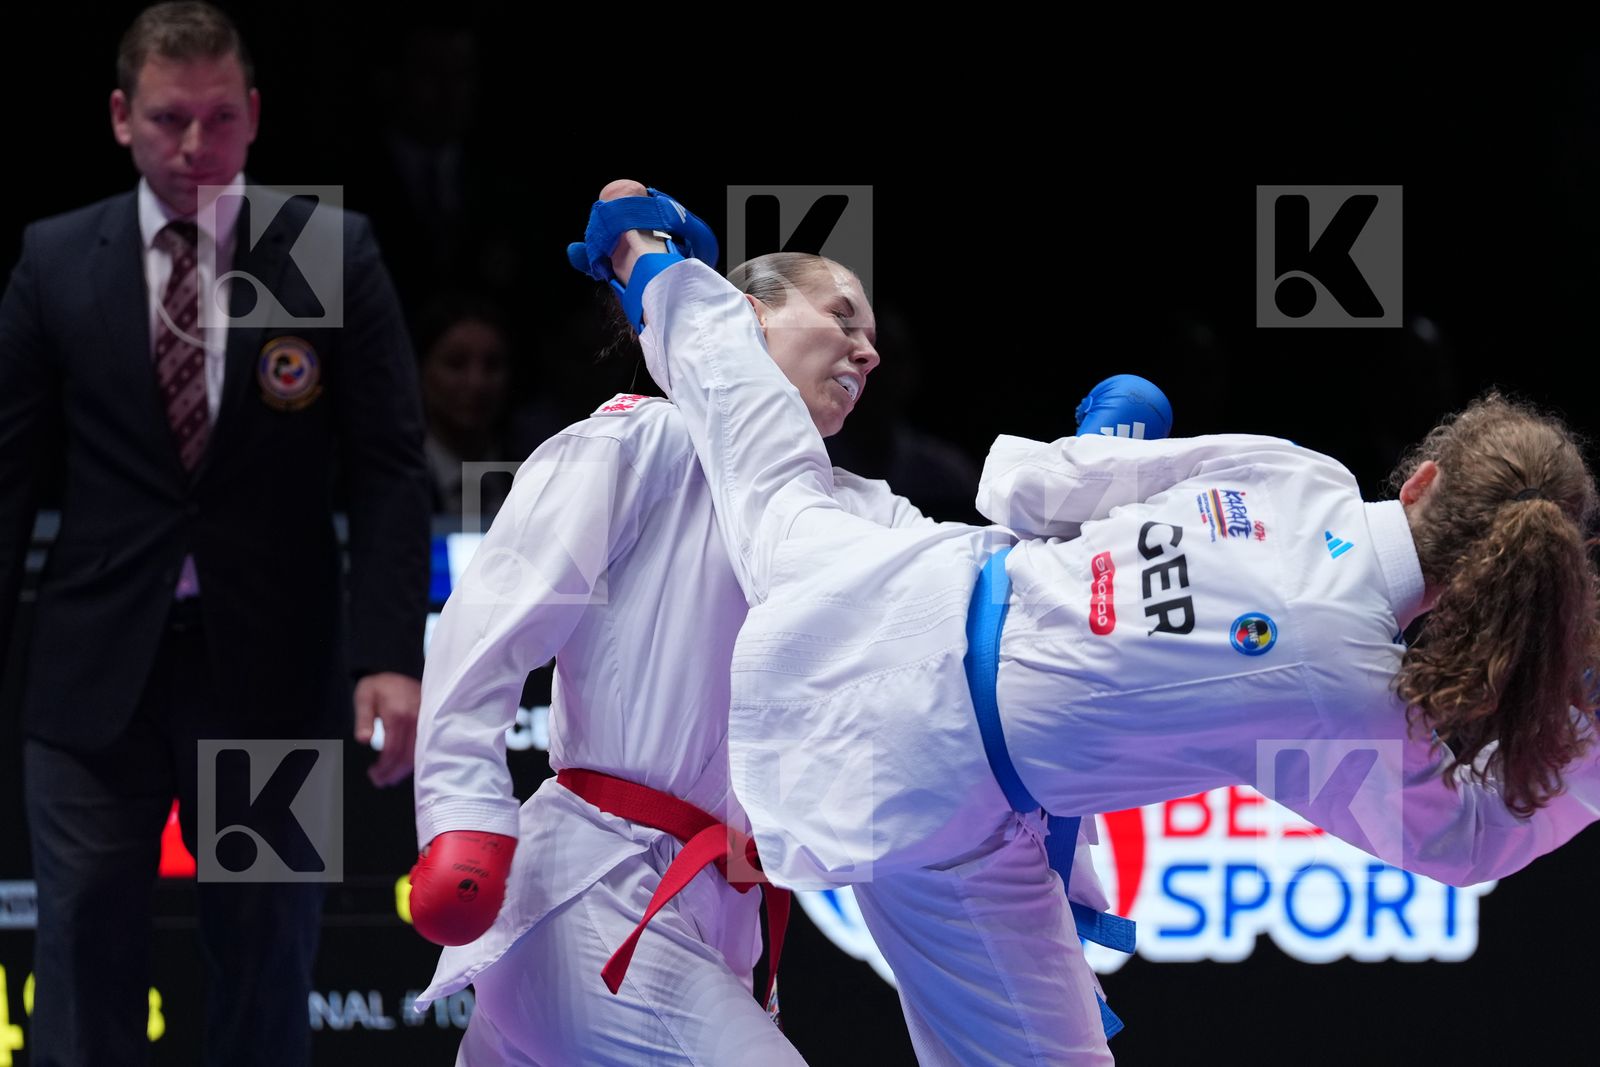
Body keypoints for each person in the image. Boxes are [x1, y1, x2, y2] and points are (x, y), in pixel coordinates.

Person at [597, 186, 1600, 1063]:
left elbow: (1029, 487)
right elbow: (1465, 840)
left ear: (1422, 480)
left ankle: (644, 251)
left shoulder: (1304, 477)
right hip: (932, 788)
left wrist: (1111, 448)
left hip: (908, 592)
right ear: (1503, 597)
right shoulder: (1354, 695)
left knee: (764, 453)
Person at [0, 4, 431, 1064]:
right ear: (120, 117)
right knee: (83, 940)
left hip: (272, 665)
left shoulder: (318, 246)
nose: (197, 144)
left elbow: (386, 463)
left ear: (255, 114)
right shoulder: (60, 258)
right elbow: (7, 474)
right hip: (97, 667)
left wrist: (388, 654)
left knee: (266, 948)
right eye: (169, 119)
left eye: (221, 117)